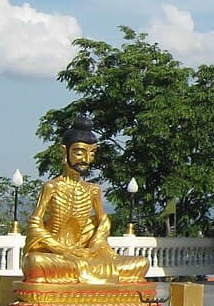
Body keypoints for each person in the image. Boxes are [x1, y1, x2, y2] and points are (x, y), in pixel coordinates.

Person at [22, 116, 149, 284]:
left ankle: (82, 274)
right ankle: (83, 274)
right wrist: (62, 250)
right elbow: (34, 224)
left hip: (86, 255)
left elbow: (103, 222)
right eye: (80, 152)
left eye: (92, 153)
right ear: (64, 151)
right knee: (35, 263)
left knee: (141, 263)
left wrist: (94, 248)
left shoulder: (93, 190)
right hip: (57, 255)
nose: (86, 159)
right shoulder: (52, 187)